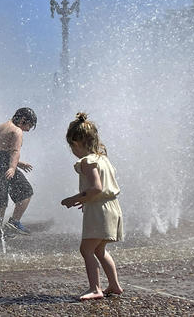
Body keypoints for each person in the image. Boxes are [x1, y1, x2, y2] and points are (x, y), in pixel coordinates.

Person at [60, 112, 123, 301]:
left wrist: (74, 198)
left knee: (86, 250)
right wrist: (86, 200)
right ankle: (114, 285)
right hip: (111, 207)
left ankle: (95, 288)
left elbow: (96, 187)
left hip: (99, 211)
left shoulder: (87, 161)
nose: (72, 150)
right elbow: (100, 190)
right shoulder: (103, 159)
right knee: (99, 249)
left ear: (76, 143)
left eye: (71, 146)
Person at [0, 107, 37, 235]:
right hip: (2, 165)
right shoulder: (17, 131)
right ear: (23, 120)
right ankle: (14, 222)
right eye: (29, 125)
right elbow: (15, 151)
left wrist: (18, 164)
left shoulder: (1, 126)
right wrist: (12, 167)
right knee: (26, 191)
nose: (28, 130)